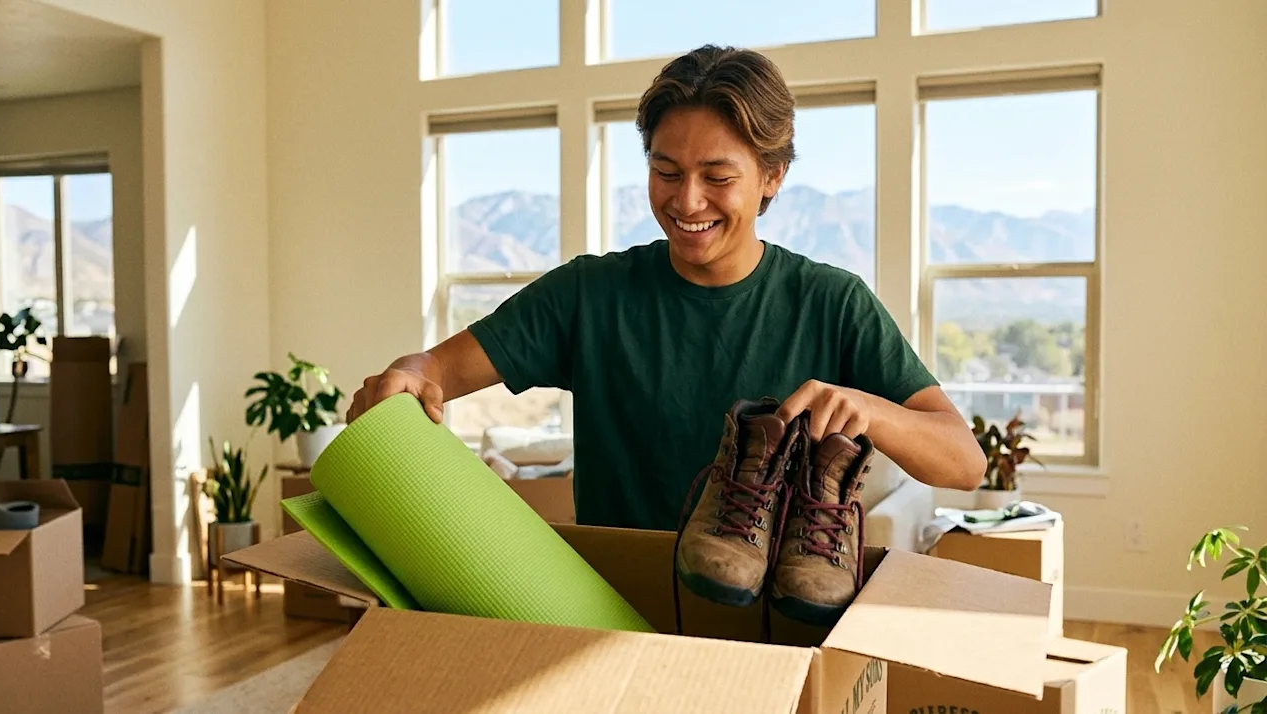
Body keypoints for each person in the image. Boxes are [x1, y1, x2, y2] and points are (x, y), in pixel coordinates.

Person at [348, 44, 986, 533]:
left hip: (774, 624)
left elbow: (964, 462)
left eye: (717, 176)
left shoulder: (832, 303)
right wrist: (407, 374)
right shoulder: (588, 295)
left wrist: (870, 409)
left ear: (772, 176)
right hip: (615, 609)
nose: (687, 201)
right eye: (666, 171)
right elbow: (434, 369)